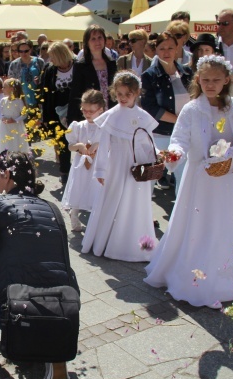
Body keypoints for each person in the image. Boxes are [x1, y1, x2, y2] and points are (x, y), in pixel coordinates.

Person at [144, 55, 233, 307]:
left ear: (227, 79)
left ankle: (225, 271)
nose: (210, 84)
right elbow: (180, 137)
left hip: (224, 177)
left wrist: (228, 156)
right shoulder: (192, 108)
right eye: (205, 80)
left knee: (222, 222)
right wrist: (175, 153)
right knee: (195, 221)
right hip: (198, 177)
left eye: (216, 80)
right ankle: (191, 268)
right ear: (198, 79)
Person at [0, 151, 79, 379]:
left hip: (14, 311)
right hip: (62, 309)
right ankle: (52, 349)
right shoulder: (53, 209)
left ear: (6, 174)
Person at [82, 73, 158, 261]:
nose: (123, 98)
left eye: (128, 94)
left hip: (138, 162)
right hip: (116, 163)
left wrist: (155, 158)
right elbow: (104, 145)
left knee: (136, 200)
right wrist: (100, 169)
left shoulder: (143, 116)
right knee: (112, 198)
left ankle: (136, 243)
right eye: (120, 94)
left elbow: (148, 142)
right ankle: (106, 240)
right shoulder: (111, 116)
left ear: (137, 93)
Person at [141, 31, 192, 193]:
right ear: (156, 49)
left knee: (184, 180)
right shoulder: (149, 76)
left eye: (171, 47)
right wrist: (179, 120)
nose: (167, 52)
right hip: (160, 135)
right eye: (162, 48)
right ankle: (141, 217)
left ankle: (182, 216)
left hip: (185, 135)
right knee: (149, 179)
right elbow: (150, 108)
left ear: (177, 48)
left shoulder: (187, 73)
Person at [61, 89, 104, 232]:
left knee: (95, 190)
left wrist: (99, 145)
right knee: (78, 188)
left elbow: (111, 145)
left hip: (97, 164)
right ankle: (74, 213)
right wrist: (79, 145)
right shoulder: (78, 126)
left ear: (101, 110)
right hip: (80, 166)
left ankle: (96, 218)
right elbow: (70, 146)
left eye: (91, 111)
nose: (87, 114)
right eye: (85, 110)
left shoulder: (104, 127)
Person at [41, 42, 76, 184]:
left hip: (77, 110)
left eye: (52, 57)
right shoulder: (50, 69)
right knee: (62, 142)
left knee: (80, 141)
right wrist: (45, 116)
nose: (50, 60)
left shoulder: (78, 66)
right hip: (57, 112)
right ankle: (65, 172)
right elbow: (45, 92)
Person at [68, 25, 117, 126]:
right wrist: (72, 120)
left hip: (110, 113)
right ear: (87, 43)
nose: (97, 42)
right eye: (93, 39)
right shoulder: (81, 65)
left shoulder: (112, 63)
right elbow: (75, 93)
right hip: (91, 114)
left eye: (100, 38)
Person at [0, 78, 28, 159]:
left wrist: (15, 120)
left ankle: (17, 158)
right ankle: (5, 158)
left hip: (16, 127)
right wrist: (3, 118)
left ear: (12, 89)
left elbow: (24, 114)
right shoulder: (3, 100)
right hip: (5, 126)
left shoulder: (19, 101)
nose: (2, 89)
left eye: (4, 87)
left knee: (16, 141)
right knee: (5, 141)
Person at [7, 40, 44, 108]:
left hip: (38, 98)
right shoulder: (14, 64)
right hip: (21, 99)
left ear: (31, 50)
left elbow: (45, 77)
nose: (23, 53)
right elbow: (10, 82)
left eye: (26, 51)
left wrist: (40, 79)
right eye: (21, 51)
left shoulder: (39, 62)